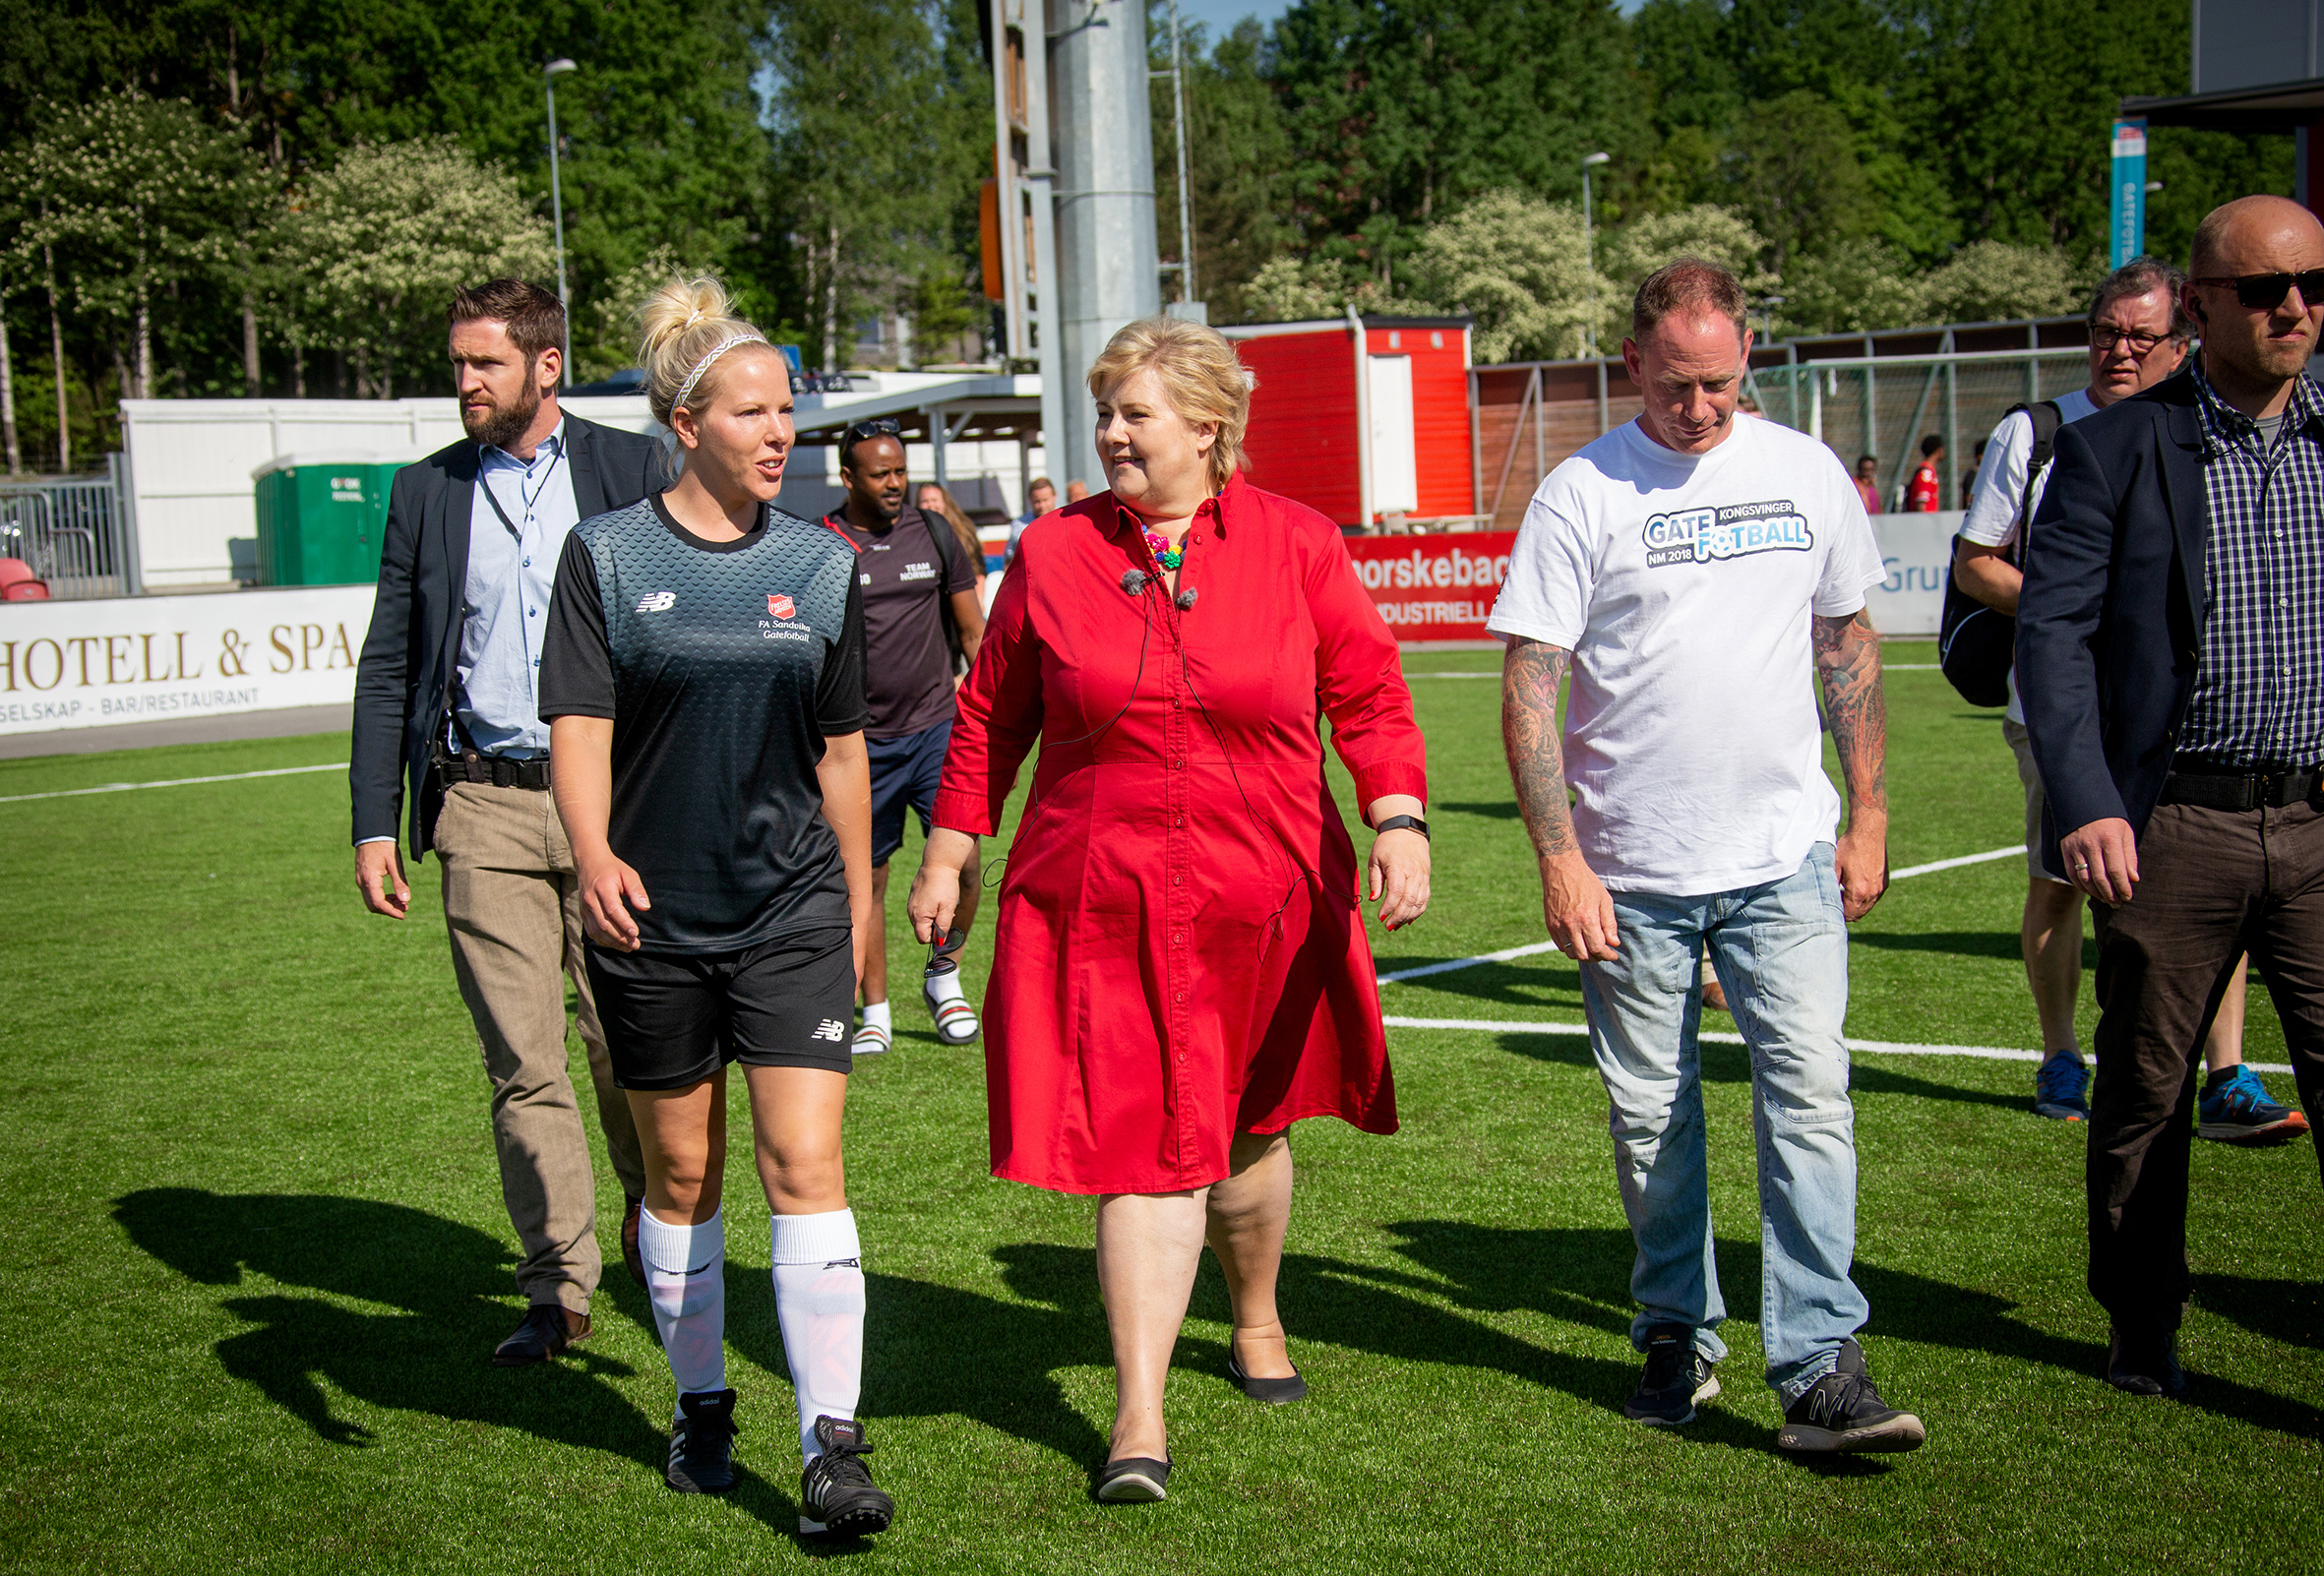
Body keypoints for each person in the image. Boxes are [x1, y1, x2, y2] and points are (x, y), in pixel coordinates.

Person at [904, 316, 1431, 1502]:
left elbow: (1368, 694)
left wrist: (1396, 816)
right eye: (1104, 414)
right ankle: (1137, 1412)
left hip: (1269, 888)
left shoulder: (1297, 543)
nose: (1111, 435)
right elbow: (991, 714)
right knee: (1140, 1146)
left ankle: (1255, 1316)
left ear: (1206, 425)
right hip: (1100, 894)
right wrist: (949, 849)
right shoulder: (1054, 551)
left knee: (1250, 1125)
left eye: (1133, 414)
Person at [1490, 259, 1925, 1456]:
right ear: (1634, 362)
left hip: (1784, 859)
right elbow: (1529, 686)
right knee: (1651, 1121)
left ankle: (1820, 1363)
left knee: (1812, 1101)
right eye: (1676, 384)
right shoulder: (1581, 493)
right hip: (1630, 872)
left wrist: (1869, 812)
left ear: (1747, 362)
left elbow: (1846, 644)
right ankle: (1676, 1331)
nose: (1699, 408)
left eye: (1721, 384)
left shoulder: (1804, 471)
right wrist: (1560, 860)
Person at [538, 275, 894, 1533]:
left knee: (806, 1160)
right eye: (752, 412)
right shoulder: (605, 556)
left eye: (786, 410)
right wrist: (592, 852)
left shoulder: (822, 563)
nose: (779, 432)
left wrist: (860, 907)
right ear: (684, 425)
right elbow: (580, 726)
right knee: (681, 1172)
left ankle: (830, 1446)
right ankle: (700, 1401)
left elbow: (842, 752)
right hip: (652, 921)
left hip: (792, 910)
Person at [2019, 195, 2324, 1396]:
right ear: (2200, 305)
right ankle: (2141, 1321)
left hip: (2318, 818)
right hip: (2172, 825)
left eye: (2311, 285)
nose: (2293, 307)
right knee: (2145, 1094)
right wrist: (2087, 801)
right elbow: (2052, 639)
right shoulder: (2113, 448)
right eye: (2263, 289)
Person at [350, 278, 654, 1366]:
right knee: (523, 1062)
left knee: (624, 1046)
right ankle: (557, 1287)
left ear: (546, 365)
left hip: (618, 802)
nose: (466, 381)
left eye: (486, 362)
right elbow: (390, 663)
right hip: (479, 804)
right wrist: (374, 821)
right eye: (459, 362)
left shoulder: (633, 470)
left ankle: (652, 1211)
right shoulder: (424, 490)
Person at [1949, 258, 2300, 1137]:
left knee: (2220, 886)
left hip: (2184, 719)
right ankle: (2061, 1056)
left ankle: (2227, 1073)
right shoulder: (2038, 431)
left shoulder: (2208, 430)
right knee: (2061, 883)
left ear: (2183, 339)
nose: (2121, 351)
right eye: (2107, 333)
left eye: (2143, 337)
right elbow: (1976, 564)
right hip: (2061, 713)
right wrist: (2078, 606)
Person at [821, 420, 988, 1056]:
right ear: (848, 478)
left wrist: (986, 716)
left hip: (938, 730)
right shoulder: (825, 543)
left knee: (964, 864)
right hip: (860, 745)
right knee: (865, 880)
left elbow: (972, 633)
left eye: (900, 471)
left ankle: (943, 976)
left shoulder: (934, 532)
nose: (895, 484)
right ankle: (876, 1009)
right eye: (880, 474)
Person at [916, 481, 991, 590]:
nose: (931, 505)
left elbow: (978, 570)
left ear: (944, 503)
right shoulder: (913, 534)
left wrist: (978, 598)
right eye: (925, 501)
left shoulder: (963, 530)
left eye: (934, 500)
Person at [1006, 475, 1058, 566]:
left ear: (1055, 496)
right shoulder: (1019, 525)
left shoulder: (1066, 519)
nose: (1042, 506)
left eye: (1045, 500)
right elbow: (1009, 559)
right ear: (1030, 499)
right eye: (1037, 501)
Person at [1904, 434, 1943, 511]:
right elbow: (1921, 505)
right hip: (1926, 518)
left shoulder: (1929, 471)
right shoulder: (1926, 473)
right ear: (1938, 450)